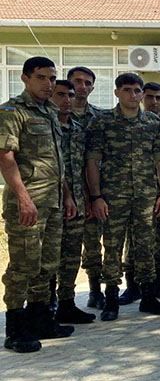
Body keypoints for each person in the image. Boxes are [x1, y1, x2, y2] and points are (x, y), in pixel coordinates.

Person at [1, 57, 77, 352]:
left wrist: (67, 196)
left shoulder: (50, 112)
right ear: (25, 78)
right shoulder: (12, 112)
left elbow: (57, 162)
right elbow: (6, 158)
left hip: (53, 202)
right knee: (24, 265)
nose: (48, 84)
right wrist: (22, 198)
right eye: (41, 77)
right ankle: (15, 329)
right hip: (28, 203)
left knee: (47, 264)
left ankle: (40, 319)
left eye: (51, 78)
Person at [86, 72, 160, 321]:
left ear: (142, 94)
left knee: (146, 246)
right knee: (112, 247)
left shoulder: (153, 124)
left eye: (136, 91)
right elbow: (92, 161)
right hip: (113, 197)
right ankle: (111, 298)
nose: (132, 95)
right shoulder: (103, 123)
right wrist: (96, 196)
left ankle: (148, 297)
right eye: (127, 90)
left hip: (145, 196)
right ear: (117, 93)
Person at [119, 82, 160, 304]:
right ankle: (132, 286)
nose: (154, 101)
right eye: (150, 97)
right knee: (133, 241)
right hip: (132, 192)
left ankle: (158, 284)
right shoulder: (129, 122)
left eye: (158, 97)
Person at [50, 79, 96, 324]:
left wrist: (89, 198)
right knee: (48, 257)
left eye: (69, 95)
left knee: (71, 255)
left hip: (77, 202)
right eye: (60, 95)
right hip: (49, 202)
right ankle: (46, 306)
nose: (66, 100)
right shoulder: (46, 126)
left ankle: (66, 303)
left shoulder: (78, 129)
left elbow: (83, 167)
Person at [68, 66, 107, 310]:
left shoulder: (99, 119)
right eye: (77, 82)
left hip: (93, 193)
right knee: (63, 250)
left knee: (94, 245)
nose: (82, 86)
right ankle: (60, 297)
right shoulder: (55, 114)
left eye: (87, 82)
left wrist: (95, 196)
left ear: (93, 87)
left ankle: (95, 290)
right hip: (62, 193)